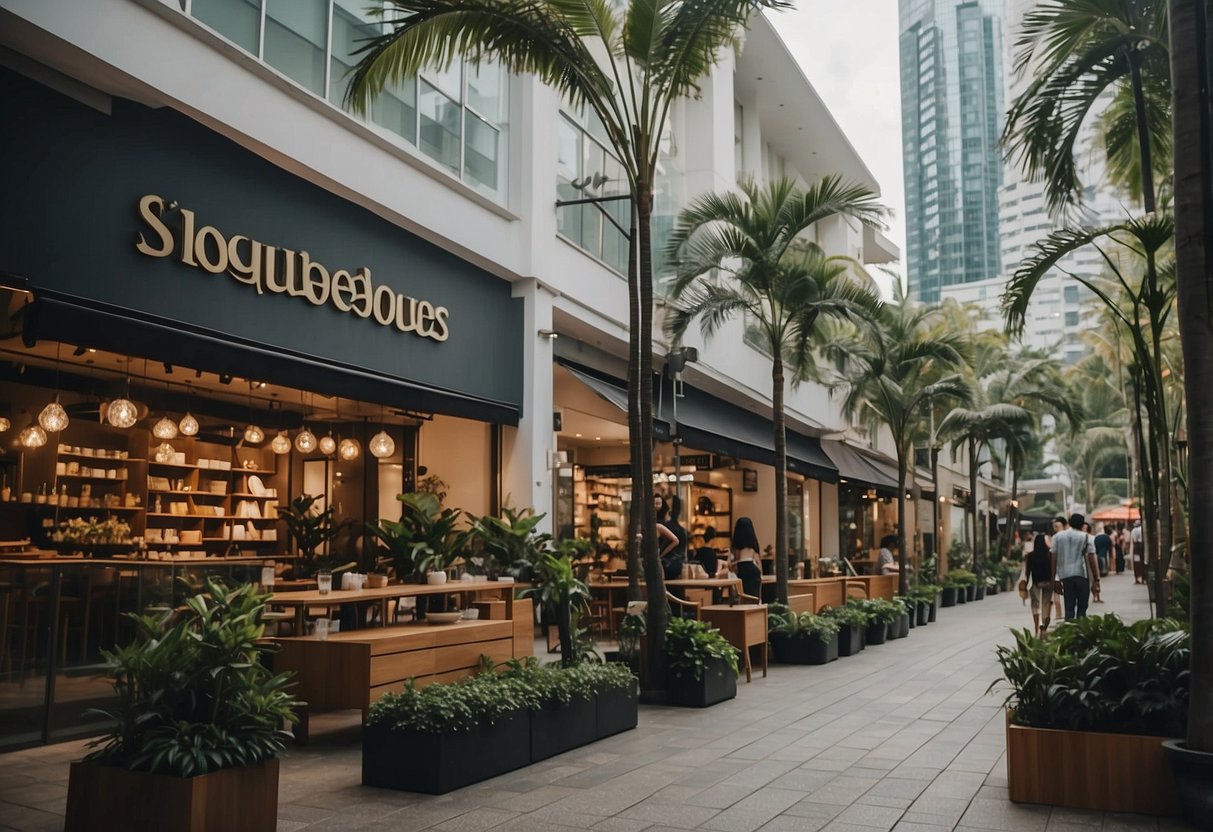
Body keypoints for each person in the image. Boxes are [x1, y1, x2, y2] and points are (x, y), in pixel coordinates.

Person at [1052, 512, 1101, 619]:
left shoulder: (1057, 537)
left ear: (1069, 522)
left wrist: (1054, 579)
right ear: (1082, 525)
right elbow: (1092, 558)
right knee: (1082, 608)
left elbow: (1053, 559)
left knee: (1069, 607)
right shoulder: (1087, 537)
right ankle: (1080, 629)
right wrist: (1096, 579)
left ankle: (1069, 631)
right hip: (1081, 575)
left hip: (1065, 576)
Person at [1021, 533, 1056, 636]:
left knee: (1035, 605)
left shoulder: (1030, 555)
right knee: (1046, 604)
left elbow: (1027, 572)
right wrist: (1053, 582)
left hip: (1035, 583)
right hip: (1048, 582)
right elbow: (1053, 569)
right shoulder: (1050, 555)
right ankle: (1044, 627)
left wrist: (1026, 584)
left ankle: (1036, 627)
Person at [730, 517, 763, 600]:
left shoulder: (736, 546)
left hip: (741, 568)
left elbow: (734, 561)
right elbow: (758, 563)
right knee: (755, 598)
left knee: (743, 596)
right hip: (753, 569)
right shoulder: (753, 544)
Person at [653, 495, 681, 580]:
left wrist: (661, 554)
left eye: (658, 503)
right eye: (654, 503)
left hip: (663, 560)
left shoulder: (660, 525)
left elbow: (675, 540)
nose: (656, 506)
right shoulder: (655, 524)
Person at [1092, 523, 1113, 603]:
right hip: (1104, 555)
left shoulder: (1095, 537)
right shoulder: (1107, 537)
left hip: (1097, 556)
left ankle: (1095, 597)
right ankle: (1097, 596)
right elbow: (1110, 547)